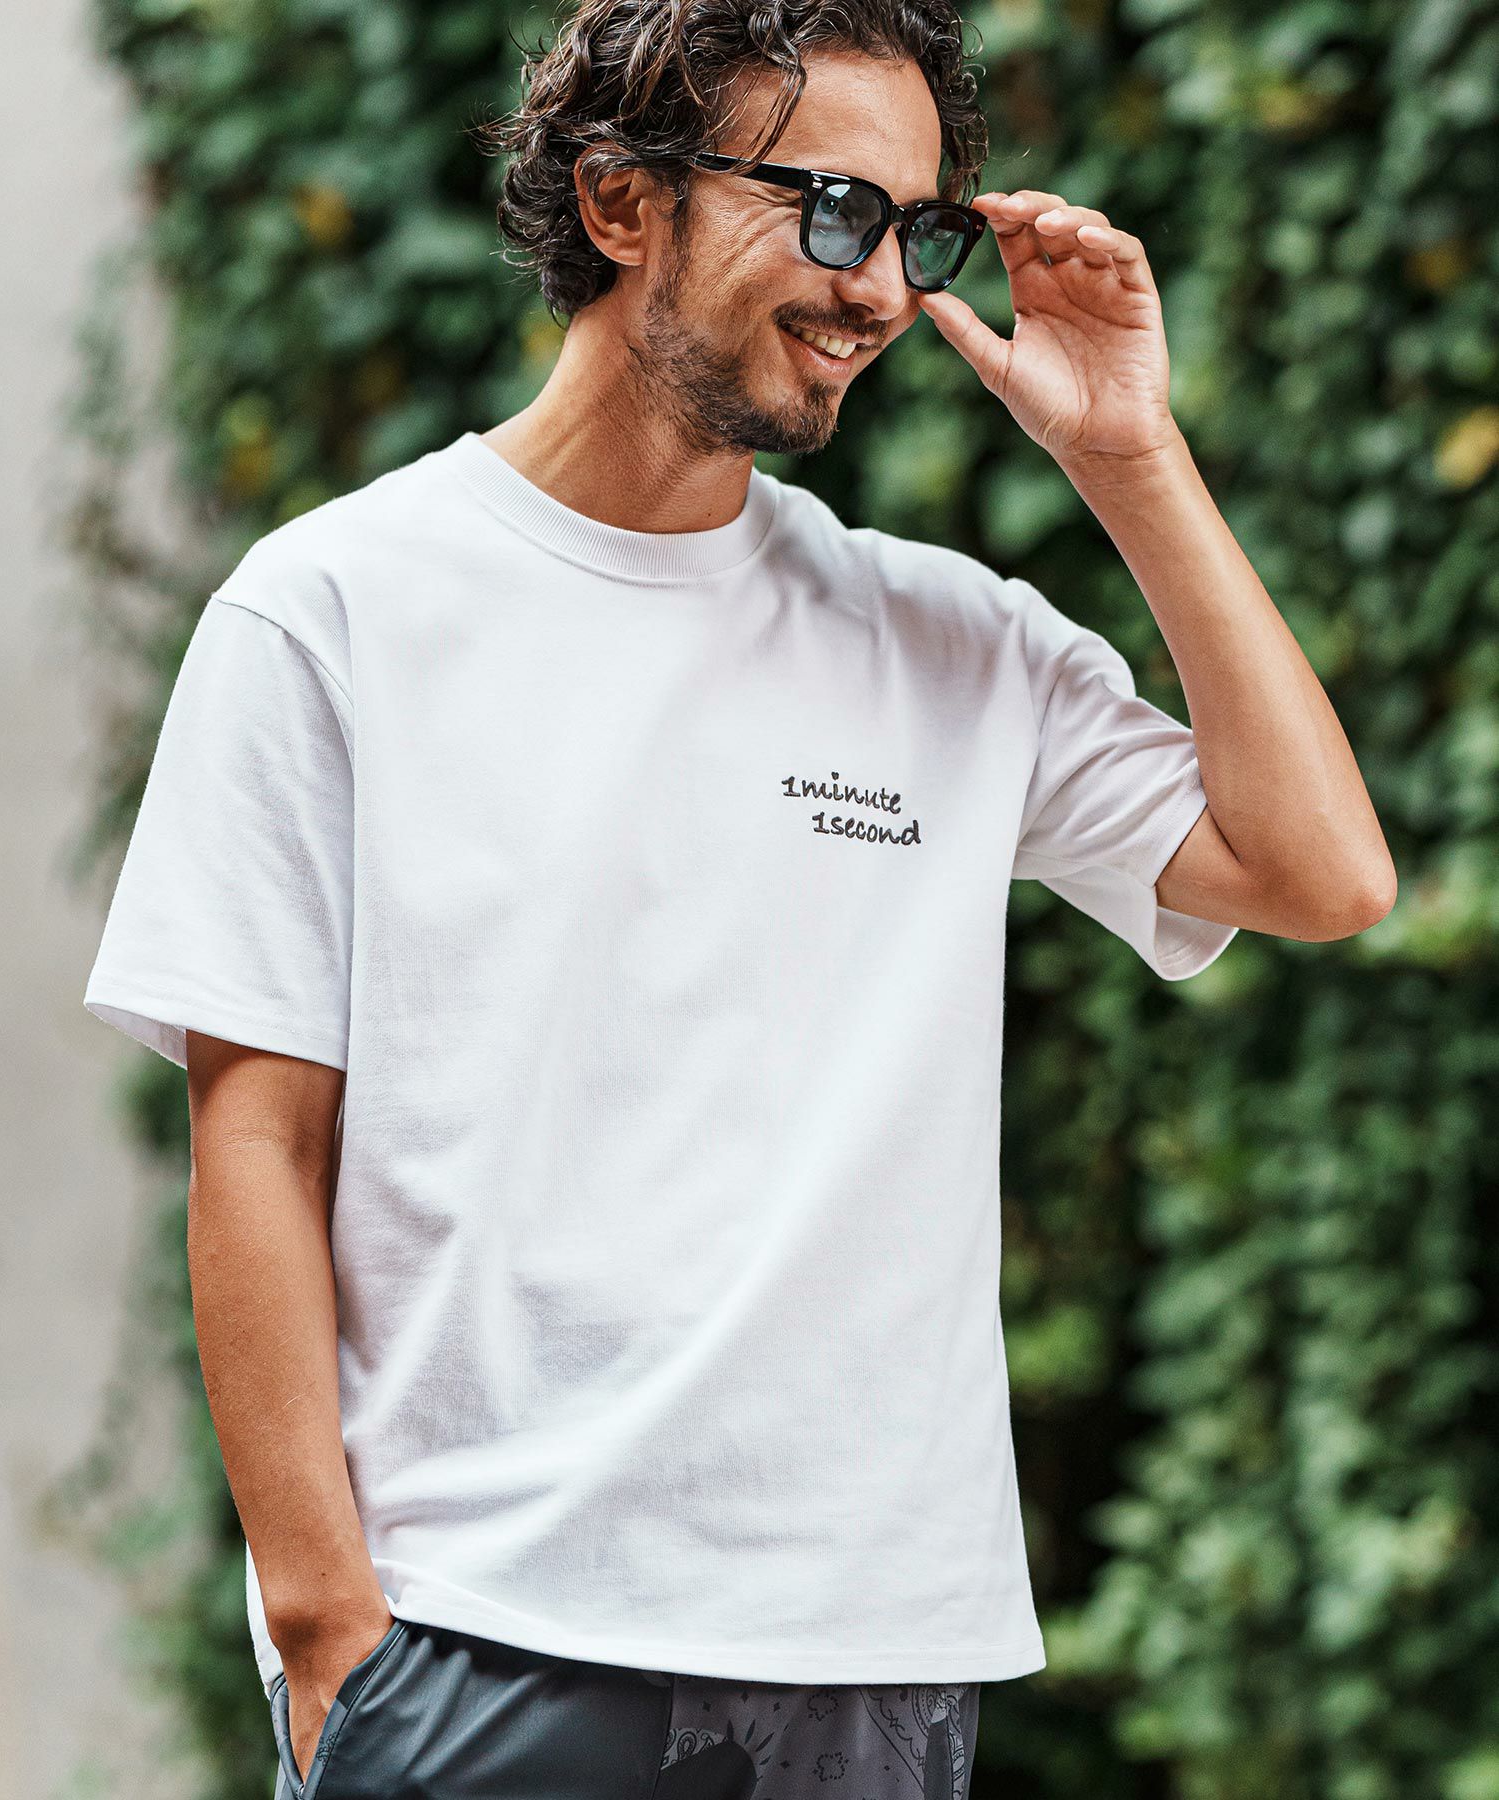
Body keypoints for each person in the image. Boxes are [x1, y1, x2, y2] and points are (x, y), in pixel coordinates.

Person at [82, 0, 1397, 1791]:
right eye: (833, 208)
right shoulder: (331, 612)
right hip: (485, 1641)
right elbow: (260, 1141)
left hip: (873, 1660)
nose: (880, 288)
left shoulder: (950, 640)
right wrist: (329, 1628)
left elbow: (1321, 872)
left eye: (918, 230)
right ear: (623, 200)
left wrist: (1131, 460)